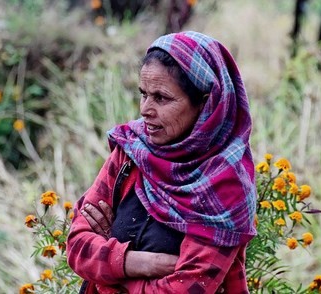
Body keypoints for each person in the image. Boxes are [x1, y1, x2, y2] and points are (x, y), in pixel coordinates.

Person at [66, 31, 257, 294]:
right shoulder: (131, 151)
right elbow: (77, 247)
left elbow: (187, 288)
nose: (145, 109)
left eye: (161, 98)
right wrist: (143, 262)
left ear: (205, 103)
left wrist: (108, 267)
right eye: (143, 94)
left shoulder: (225, 187)